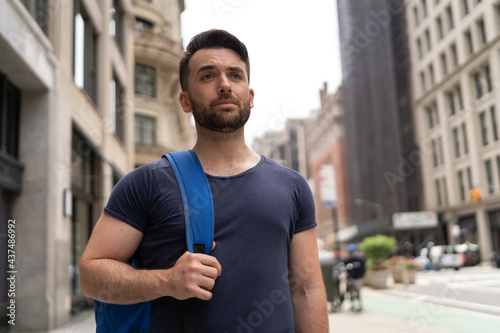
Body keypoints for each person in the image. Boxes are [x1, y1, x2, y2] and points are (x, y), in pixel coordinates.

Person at [79, 29, 328, 332]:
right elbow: (90, 276)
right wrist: (166, 281)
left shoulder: (292, 187)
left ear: (249, 96)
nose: (224, 85)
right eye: (208, 76)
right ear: (185, 101)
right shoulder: (145, 183)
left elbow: (306, 289)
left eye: (235, 76)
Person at [343, 244, 365, 311]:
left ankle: (359, 304)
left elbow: (364, 265)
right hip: (350, 278)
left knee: (358, 292)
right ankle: (352, 304)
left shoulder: (359, 259)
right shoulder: (348, 260)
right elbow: (343, 264)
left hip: (358, 278)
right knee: (351, 292)